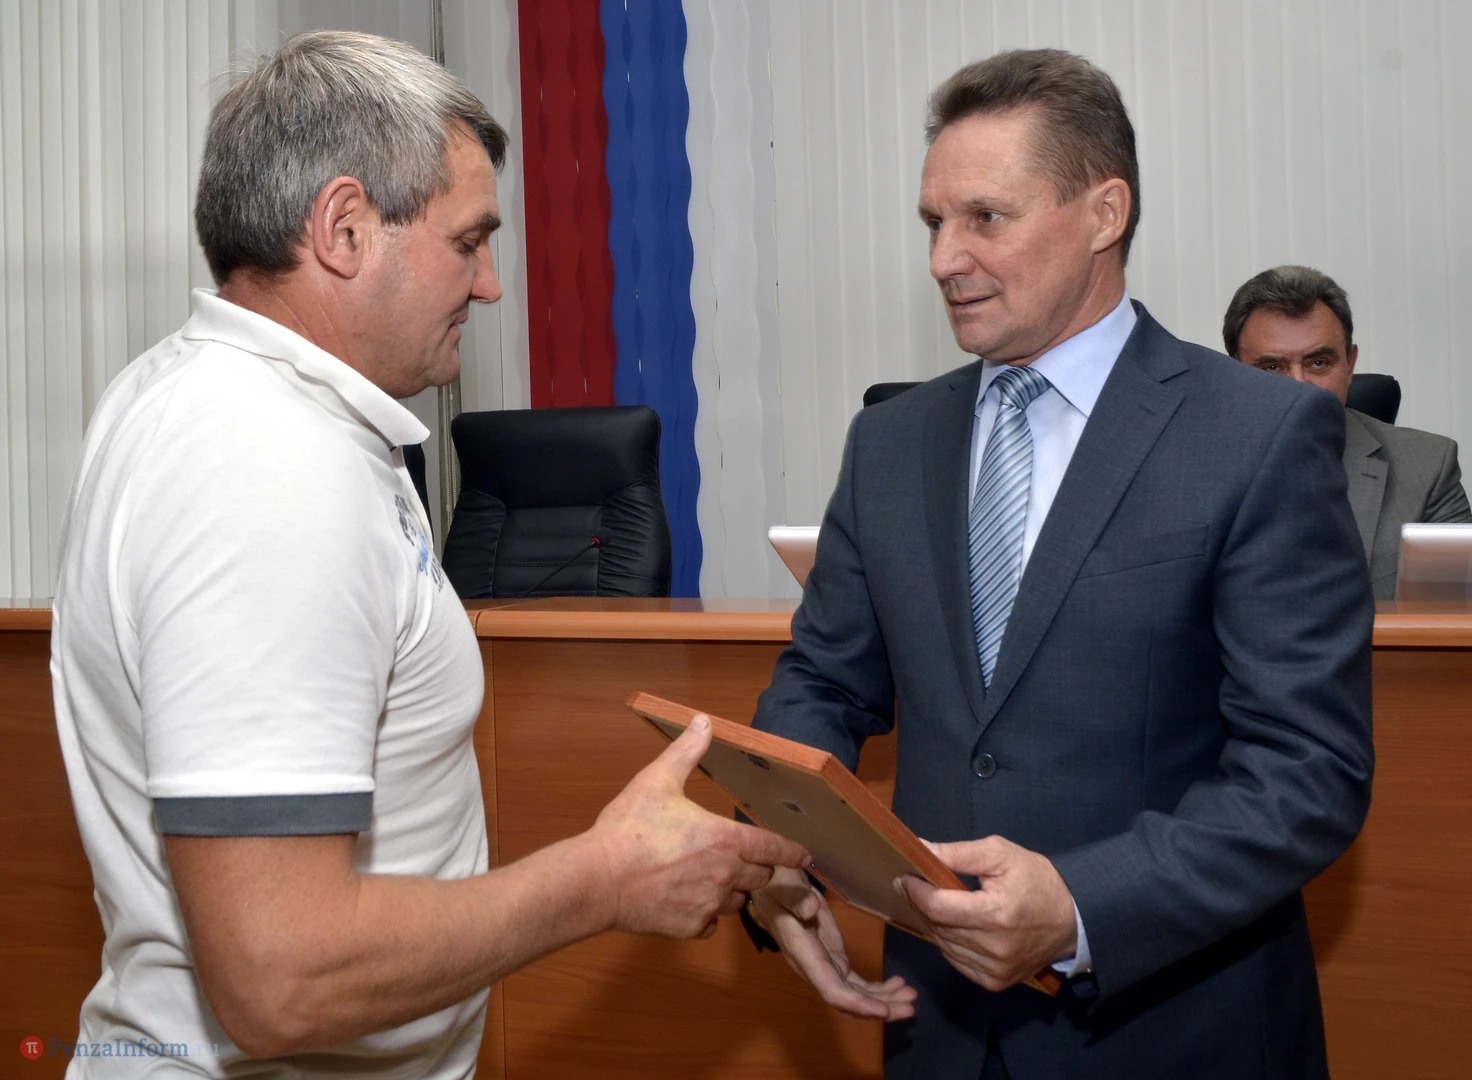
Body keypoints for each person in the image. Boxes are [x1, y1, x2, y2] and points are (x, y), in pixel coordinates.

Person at [49, 30, 806, 1079]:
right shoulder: (264, 462)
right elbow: (281, 978)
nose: (490, 286)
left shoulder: (202, 395)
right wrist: (603, 880)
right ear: (345, 229)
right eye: (468, 241)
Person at [745, 49, 1374, 1079]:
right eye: (932, 222)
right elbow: (822, 681)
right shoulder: (889, 444)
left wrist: (1083, 906)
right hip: (940, 1030)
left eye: (984, 218)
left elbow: (1308, 772)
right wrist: (779, 849)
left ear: (1102, 213)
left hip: (1170, 1032)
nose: (944, 258)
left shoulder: (1257, 434)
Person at [1224, 264, 1472, 599]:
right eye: (1272, 367)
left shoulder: (1428, 467)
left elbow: (1452, 617)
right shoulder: (1185, 470)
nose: (1299, 387)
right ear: (1234, 373)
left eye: (1318, 363)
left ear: (1350, 365)